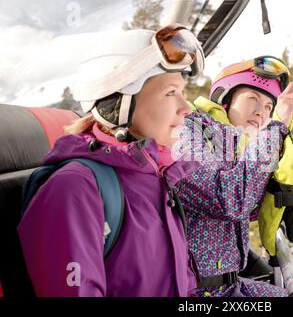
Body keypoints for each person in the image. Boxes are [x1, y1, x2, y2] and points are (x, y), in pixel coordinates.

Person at [17, 25, 205, 297]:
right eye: (170, 92)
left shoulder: (159, 178)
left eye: (183, 93)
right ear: (118, 105)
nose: (186, 109)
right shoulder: (76, 189)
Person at [174, 55, 293, 297]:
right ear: (224, 99)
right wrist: (277, 126)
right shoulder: (186, 130)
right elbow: (230, 199)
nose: (261, 112)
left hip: (230, 287)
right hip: (190, 292)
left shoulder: (247, 151)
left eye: (268, 107)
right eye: (252, 98)